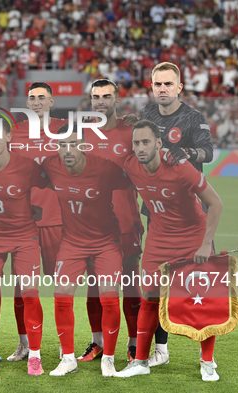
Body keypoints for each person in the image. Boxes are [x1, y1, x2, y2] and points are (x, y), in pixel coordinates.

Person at [115, 120, 223, 382]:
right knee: (149, 297)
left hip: (191, 237)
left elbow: (216, 203)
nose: (140, 148)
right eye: (136, 143)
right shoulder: (131, 165)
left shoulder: (180, 168)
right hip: (159, 239)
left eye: (146, 142)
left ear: (159, 143)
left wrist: (206, 244)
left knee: (202, 300)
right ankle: (140, 361)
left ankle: (207, 362)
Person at [140, 62, 214, 366]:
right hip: (156, 207)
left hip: (191, 209)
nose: (162, 89)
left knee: (198, 285)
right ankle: (161, 350)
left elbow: (208, 152)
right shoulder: (147, 114)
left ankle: (206, 356)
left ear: (179, 87)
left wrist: (189, 154)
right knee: (156, 285)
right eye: (158, 84)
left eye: (168, 84)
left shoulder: (194, 118)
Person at [42, 124, 130, 377]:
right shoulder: (50, 165)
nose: (67, 150)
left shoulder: (105, 167)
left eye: (73, 144)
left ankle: (109, 359)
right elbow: (23, 177)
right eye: (62, 145)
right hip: (72, 242)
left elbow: (136, 183)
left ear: (83, 145)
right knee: (61, 297)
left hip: (106, 242)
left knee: (110, 299)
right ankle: (68, 358)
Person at [0, 113, 47, 375]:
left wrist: (36, 208)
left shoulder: (27, 165)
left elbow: (54, 183)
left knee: (30, 295)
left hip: (25, 238)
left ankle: (34, 356)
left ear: (9, 138)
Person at [79, 79, 144, 363]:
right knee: (94, 286)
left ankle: (133, 344)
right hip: (92, 224)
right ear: (91, 101)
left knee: (130, 284)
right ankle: (97, 342)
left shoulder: (132, 133)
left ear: (117, 100)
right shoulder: (82, 134)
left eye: (107, 96)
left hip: (126, 219)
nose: (101, 101)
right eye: (96, 97)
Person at [7, 82, 66, 361]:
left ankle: (68, 346)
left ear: (52, 101)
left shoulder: (66, 129)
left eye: (42, 97)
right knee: (23, 288)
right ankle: (25, 344)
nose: (37, 102)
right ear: (27, 103)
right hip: (22, 222)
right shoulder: (14, 133)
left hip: (57, 218)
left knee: (63, 287)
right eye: (32, 98)